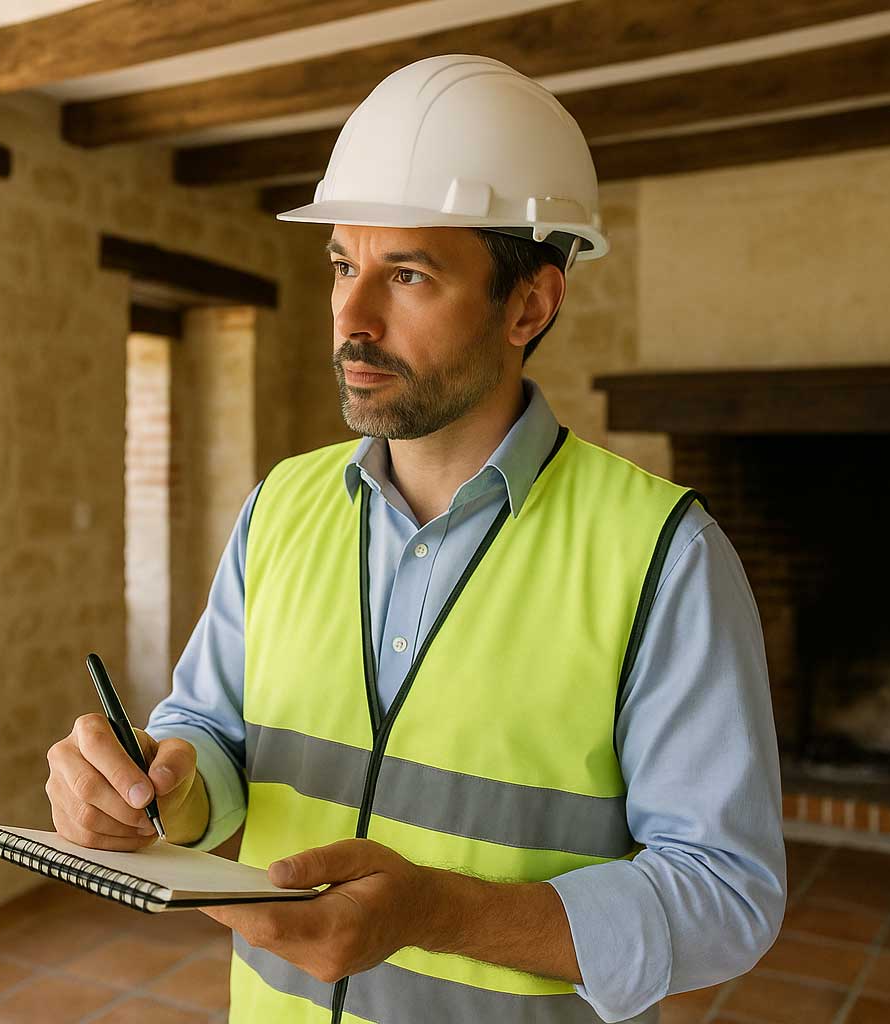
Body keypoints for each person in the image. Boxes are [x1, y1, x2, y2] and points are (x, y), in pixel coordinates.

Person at [45, 54, 786, 1024]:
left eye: (407, 273)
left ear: (530, 304)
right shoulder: (281, 505)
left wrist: (441, 912)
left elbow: (727, 898)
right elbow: (213, 740)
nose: (351, 318)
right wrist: (157, 788)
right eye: (344, 265)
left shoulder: (662, 554)